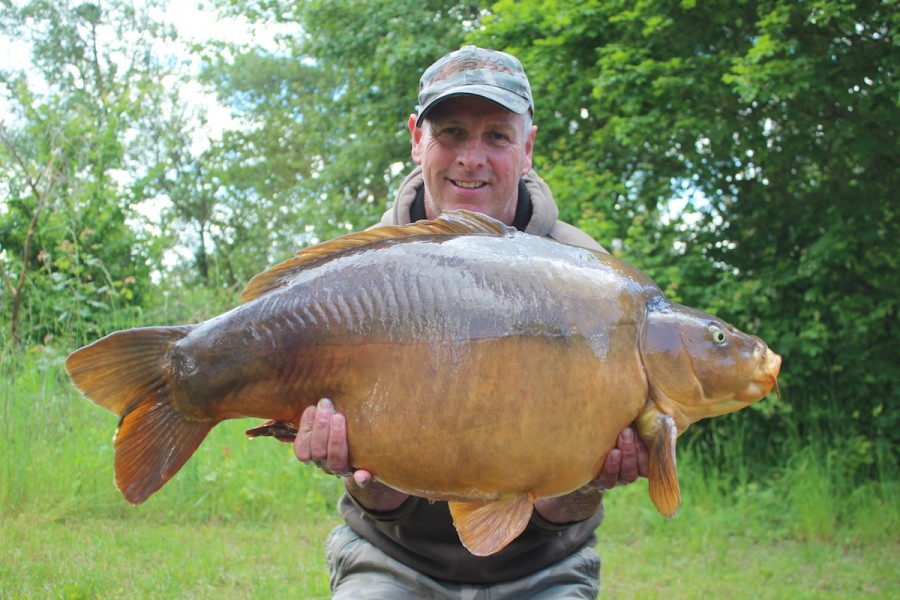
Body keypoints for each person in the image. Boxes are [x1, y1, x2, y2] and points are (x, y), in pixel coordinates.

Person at [294, 46, 649, 599]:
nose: (470, 157)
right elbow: (379, 505)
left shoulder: (594, 283)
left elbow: (564, 514)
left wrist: (591, 480)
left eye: (497, 137)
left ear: (527, 147)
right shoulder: (358, 273)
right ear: (417, 139)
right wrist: (352, 463)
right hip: (391, 557)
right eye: (452, 132)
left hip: (542, 569)